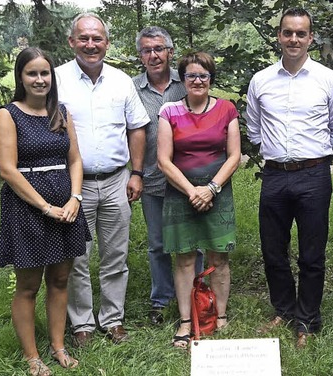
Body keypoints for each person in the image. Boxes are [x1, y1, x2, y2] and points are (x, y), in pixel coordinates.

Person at [246, 7, 333, 349]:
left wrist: (316, 156)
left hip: (313, 175)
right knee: (273, 249)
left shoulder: (328, 79)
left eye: (300, 34)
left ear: (310, 38)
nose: (293, 39)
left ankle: (307, 318)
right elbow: (256, 129)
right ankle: (284, 309)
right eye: (287, 33)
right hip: (274, 175)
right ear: (279, 36)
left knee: (312, 253)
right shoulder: (261, 80)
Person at [0, 47, 90, 375]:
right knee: (28, 285)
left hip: (66, 206)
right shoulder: (9, 114)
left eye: (45, 73)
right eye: (32, 73)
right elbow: (8, 170)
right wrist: (46, 207)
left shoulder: (60, 112)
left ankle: (59, 346)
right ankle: (31, 356)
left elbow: (75, 159)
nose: (39, 79)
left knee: (61, 279)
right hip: (28, 208)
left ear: (52, 77)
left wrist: (75, 198)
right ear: (21, 77)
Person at [56, 12, 149, 346]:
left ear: (107, 43)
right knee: (77, 256)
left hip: (115, 181)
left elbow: (137, 127)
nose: (90, 45)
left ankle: (112, 319)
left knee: (115, 256)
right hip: (71, 184)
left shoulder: (122, 81)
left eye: (97, 39)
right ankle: (82, 324)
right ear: (72, 42)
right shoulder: (57, 80)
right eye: (84, 38)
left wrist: (136, 173)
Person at [157, 51, 241, 348]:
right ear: (183, 78)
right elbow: (164, 161)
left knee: (219, 257)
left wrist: (212, 188)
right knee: (185, 258)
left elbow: (234, 156)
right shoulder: (169, 111)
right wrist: (193, 191)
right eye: (191, 75)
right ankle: (184, 321)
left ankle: (220, 315)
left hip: (218, 194)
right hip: (181, 195)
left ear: (210, 79)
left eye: (203, 75)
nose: (197, 80)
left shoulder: (227, 109)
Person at [132, 26, 203, 326]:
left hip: (189, 181)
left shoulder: (186, 81)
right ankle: (161, 300)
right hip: (151, 179)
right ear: (140, 55)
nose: (153, 55)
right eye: (147, 50)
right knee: (158, 243)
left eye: (159, 48)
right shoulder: (131, 88)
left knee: (193, 242)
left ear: (170, 52)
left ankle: (198, 296)